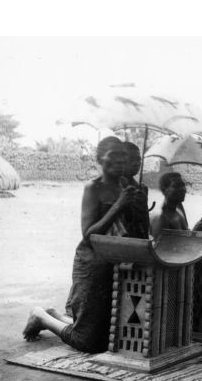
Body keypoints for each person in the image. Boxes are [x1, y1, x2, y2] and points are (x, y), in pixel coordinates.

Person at [23, 136, 140, 353]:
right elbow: (88, 234)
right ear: (99, 158)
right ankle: (41, 316)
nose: (119, 161)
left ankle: (55, 315)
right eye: (113, 155)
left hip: (115, 266)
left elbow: (130, 228)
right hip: (92, 265)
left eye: (123, 156)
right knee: (88, 342)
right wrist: (119, 205)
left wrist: (135, 206)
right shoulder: (93, 188)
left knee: (108, 336)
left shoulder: (126, 187)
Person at [150, 172, 202, 237]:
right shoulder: (161, 218)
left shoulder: (178, 210)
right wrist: (193, 234)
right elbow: (168, 243)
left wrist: (195, 232)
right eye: (177, 186)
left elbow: (183, 236)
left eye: (183, 185)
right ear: (164, 189)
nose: (183, 189)